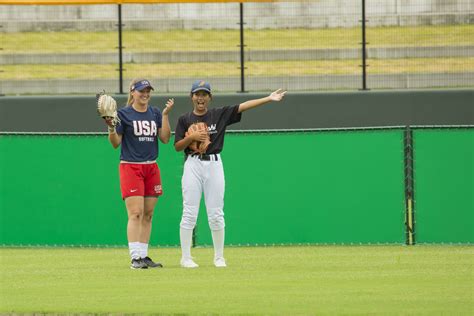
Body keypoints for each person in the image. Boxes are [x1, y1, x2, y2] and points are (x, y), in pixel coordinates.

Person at [174, 80, 286, 268]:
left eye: (204, 94)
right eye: (197, 94)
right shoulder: (184, 119)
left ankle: (219, 257)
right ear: (192, 97)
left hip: (214, 163)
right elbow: (177, 147)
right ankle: (186, 257)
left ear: (209, 97)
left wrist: (268, 98)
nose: (200, 98)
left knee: (216, 213)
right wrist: (191, 138)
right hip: (192, 164)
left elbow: (243, 107)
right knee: (189, 212)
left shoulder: (218, 114)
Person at [104, 78, 174, 269]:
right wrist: (111, 127)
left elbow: (166, 139)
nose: (145, 94)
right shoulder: (124, 114)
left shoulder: (155, 112)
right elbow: (115, 142)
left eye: (148, 91)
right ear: (132, 92)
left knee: (148, 214)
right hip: (131, 166)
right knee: (135, 213)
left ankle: (143, 256)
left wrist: (166, 115)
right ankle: (135, 258)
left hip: (151, 166)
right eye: (142, 91)